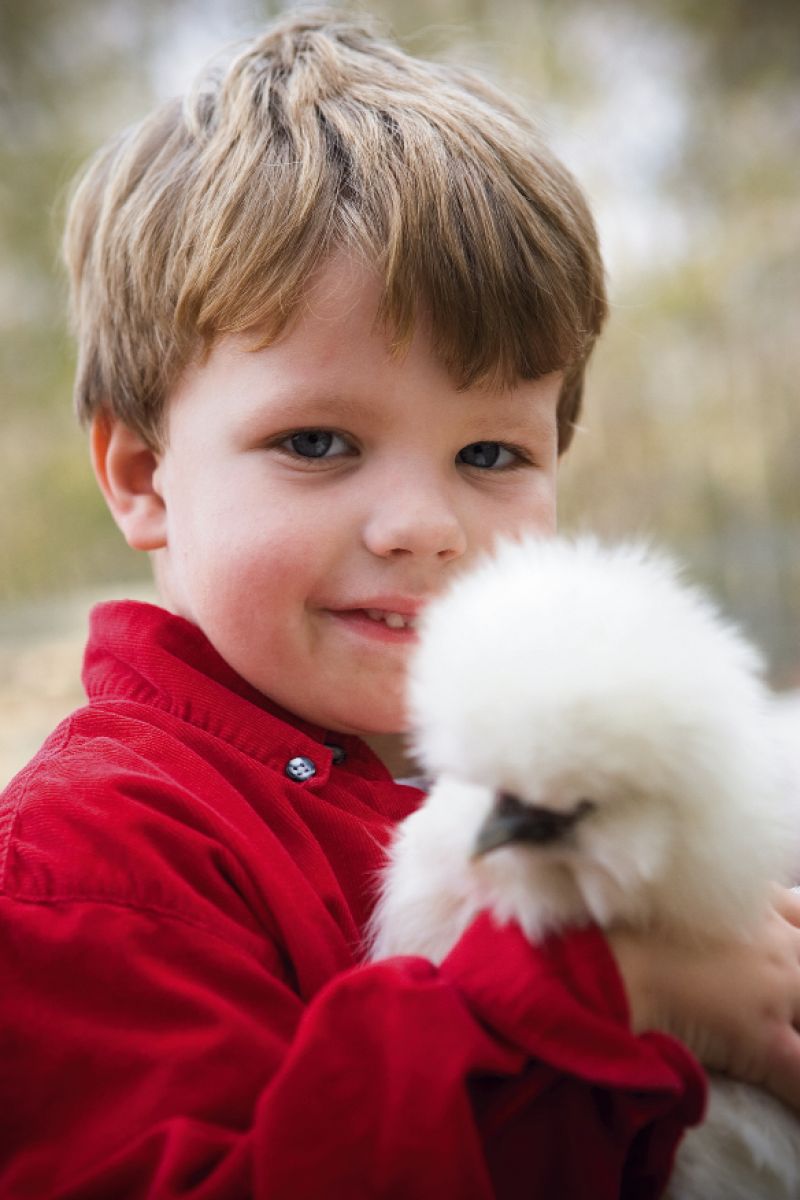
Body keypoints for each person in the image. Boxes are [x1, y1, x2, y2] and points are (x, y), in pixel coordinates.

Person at [1, 10, 799, 1198]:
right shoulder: (90, 862)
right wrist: (610, 989)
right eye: (316, 441)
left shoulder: (543, 784)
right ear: (140, 475)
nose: (420, 525)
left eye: (489, 455)